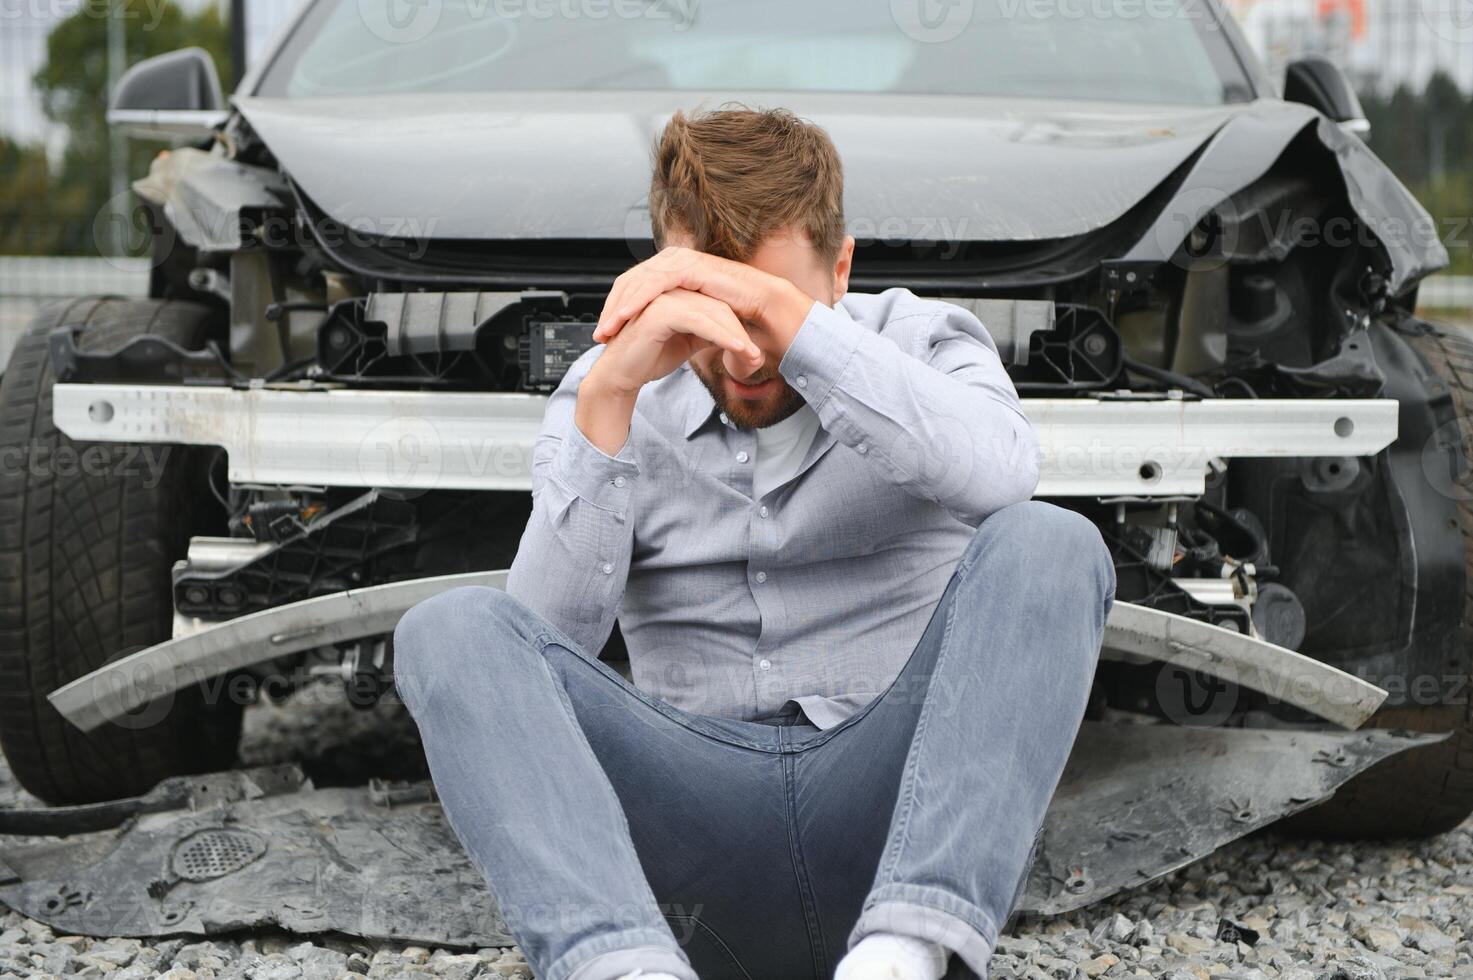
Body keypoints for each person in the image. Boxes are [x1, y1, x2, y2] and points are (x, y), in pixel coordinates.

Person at [393, 107, 1115, 980]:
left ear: (840, 267)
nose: (740, 358)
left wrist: (806, 336)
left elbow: (1004, 476)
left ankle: (907, 954)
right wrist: (607, 410)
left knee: (1052, 541)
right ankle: (620, 967)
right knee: (451, 628)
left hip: (887, 811)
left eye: (767, 307)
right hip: (685, 831)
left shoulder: (920, 342)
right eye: (707, 311)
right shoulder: (608, 386)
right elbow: (540, 654)